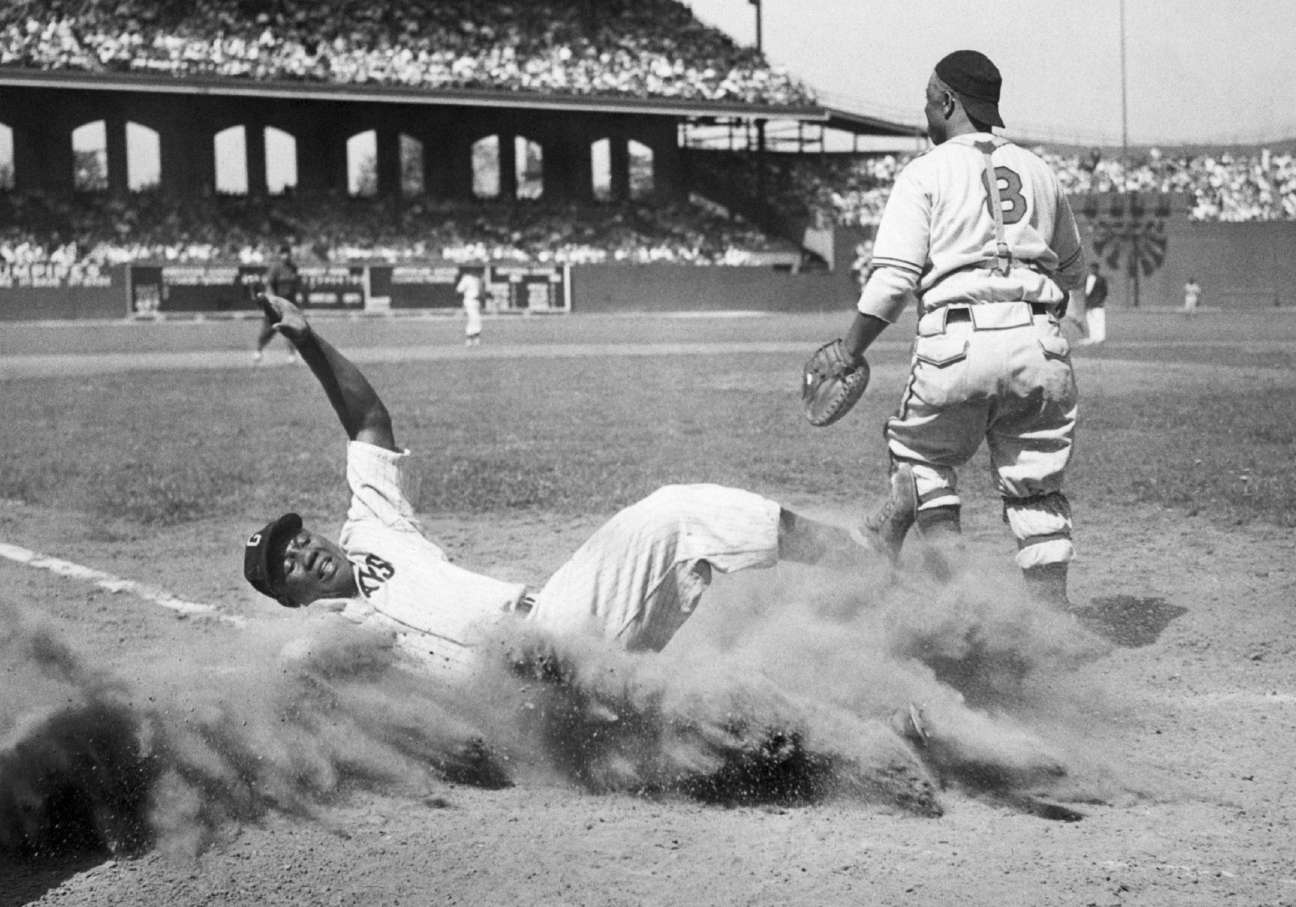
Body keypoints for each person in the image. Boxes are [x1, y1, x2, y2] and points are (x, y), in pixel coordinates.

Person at [243, 293, 878, 665]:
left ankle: (860, 561)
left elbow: (368, 423)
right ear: (285, 597)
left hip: (558, 631)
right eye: (288, 564)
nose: (305, 552)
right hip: (524, 701)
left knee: (678, 514)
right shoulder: (324, 647)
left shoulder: (373, 528)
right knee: (694, 705)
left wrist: (310, 342)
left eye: (298, 540)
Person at [829, 50, 1086, 607]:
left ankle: (964, 609)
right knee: (1036, 490)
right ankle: (1051, 630)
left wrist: (851, 351)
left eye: (928, 97)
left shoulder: (926, 170)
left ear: (946, 101)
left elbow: (893, 281)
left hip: (957, 336)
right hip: (1040, 340)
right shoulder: (1041, 171)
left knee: (921, 463)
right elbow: (1072, 271)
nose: (926, 107)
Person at [255, 245, 302, 363]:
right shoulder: (275, 267)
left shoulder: (293, 267)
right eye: (283, 253)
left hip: (289, 304)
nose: (285, 256)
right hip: (276, 304)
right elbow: (269, 284)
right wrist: (272, 301)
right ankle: (258, 350)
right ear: (280, 255)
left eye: (287, 253)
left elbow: (295, 285)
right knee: (268, 330)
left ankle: (291, 354)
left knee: (291, 330)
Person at [1079, 261, 1109, 345]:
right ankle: (1093, 337)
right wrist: (1086, 304)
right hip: (1089, 304)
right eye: (1090, 268)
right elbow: (1086, 292)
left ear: (1097, 269)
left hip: (1098, 304)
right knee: (1091, 321)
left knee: (1099, 320)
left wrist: (1100, 301)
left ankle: (1100, 338)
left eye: (1093, 268)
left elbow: (1104, 292)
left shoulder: (1101, 279)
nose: (1091, 270)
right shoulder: (1087, 278)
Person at [455, 269, 485, 347]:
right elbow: (459, 290)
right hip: (470, 300)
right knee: (473, 318)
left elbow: (481, 291)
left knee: (477, 319)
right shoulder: (467, 278)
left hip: (477, 301)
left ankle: (475, 339)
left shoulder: (478, 278)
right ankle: (469, 339)